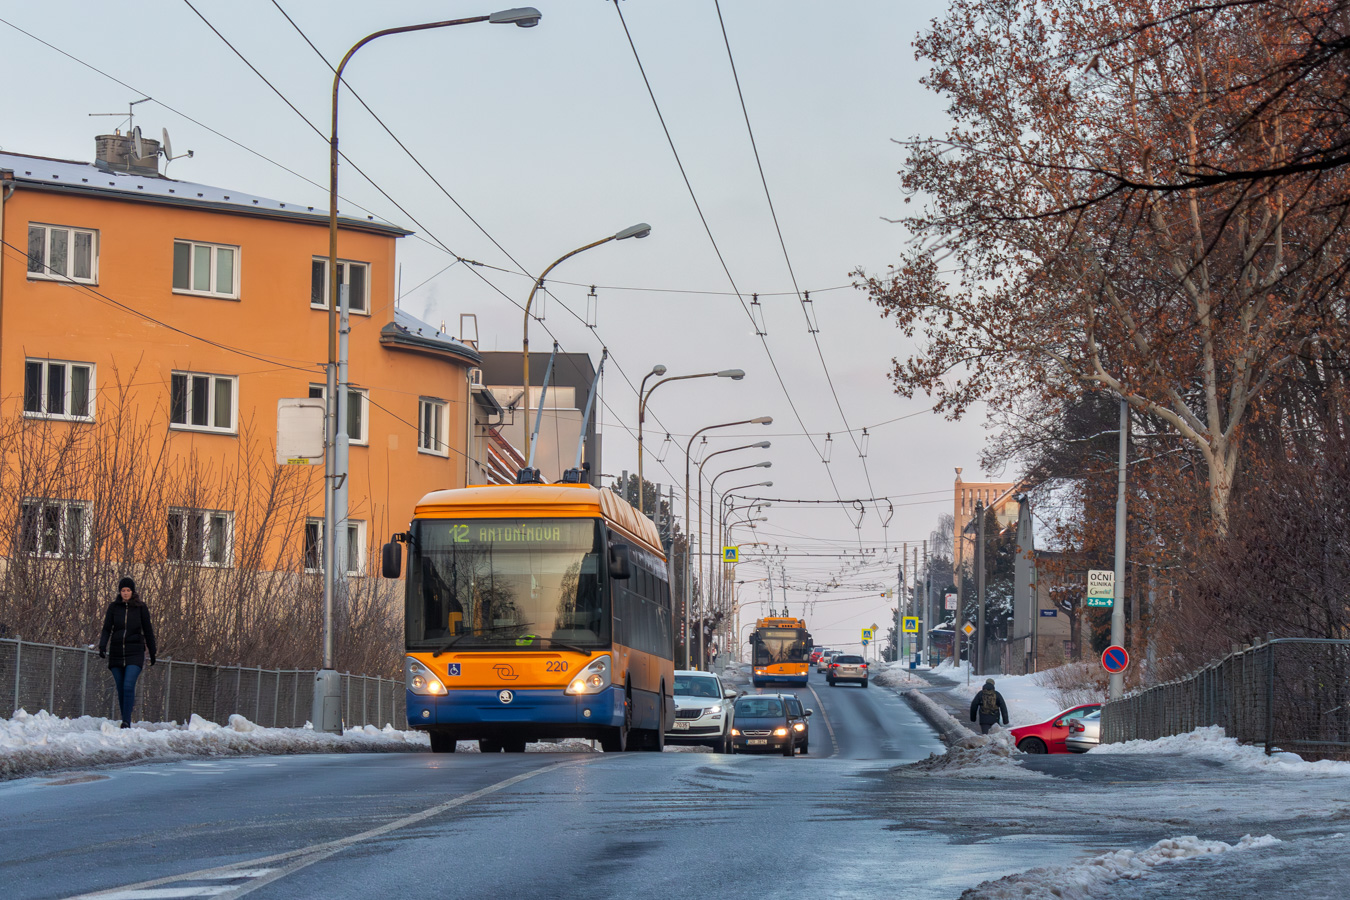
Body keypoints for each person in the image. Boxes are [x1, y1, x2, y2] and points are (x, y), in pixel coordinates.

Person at [98, 576, 157, 729]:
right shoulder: (113, 608)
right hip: (117, 652)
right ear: (120, 592)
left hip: (135, 652)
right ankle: (125, 719)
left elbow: (148, 630)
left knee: (128, 685)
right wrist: (103, 646)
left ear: (133, 591)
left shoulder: (141, 608)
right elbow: (106, 628)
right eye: (123, 590)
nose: (125, 593)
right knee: (121, 687)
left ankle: (126, 722)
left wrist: (153, 651)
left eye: (128, 590)